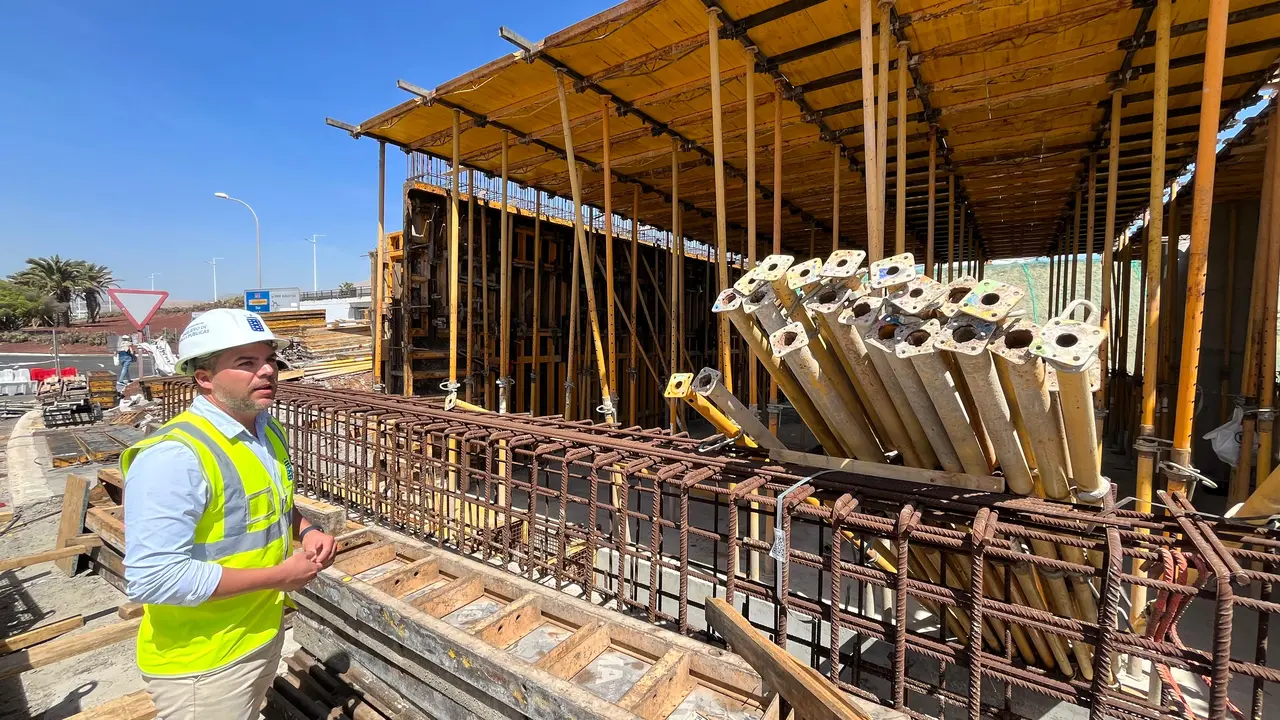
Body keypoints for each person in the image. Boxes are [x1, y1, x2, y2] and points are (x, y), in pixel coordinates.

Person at [121, 308, 336, 720]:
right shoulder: (174, 457)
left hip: (259, 630)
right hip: (204, 659)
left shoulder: (266, 430)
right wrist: (281, 577)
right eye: (246, 363)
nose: (268, 372)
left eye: (270, 359)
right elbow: (154, 578)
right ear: (204, 378)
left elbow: (268, 506)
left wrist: (307, 531)